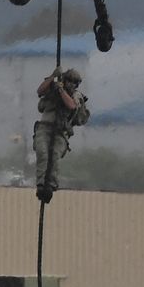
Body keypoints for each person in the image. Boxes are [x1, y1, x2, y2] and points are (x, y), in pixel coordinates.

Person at [32, 67, 90, 201]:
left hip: (60, 132)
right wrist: (53, 76)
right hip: (44, 127)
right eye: (69, 80)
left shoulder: (76, 95)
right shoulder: (52, 87)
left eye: (74, 83)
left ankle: (50, 185)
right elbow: (40, 91)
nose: (72, 84)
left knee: (54, 156)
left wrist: (61, 90)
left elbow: (71, 106)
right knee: (42, 153)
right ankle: (41, 184)